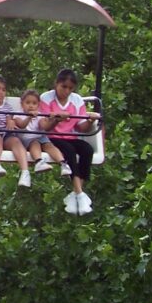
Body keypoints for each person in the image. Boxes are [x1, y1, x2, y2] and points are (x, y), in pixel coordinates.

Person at [40, 68, 102, 215]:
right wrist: (56, 120)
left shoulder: (77, 100)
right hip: (52, 137)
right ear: (56, 84)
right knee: (69, 151)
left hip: (70, 136)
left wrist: (90, 120)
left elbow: (81, 128)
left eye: (70, 88)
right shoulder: (46, 98)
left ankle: (77, 192)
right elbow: (45, 127)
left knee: (87, 150)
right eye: (64, 87)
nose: (66, 91)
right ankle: (79, 193)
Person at [13, 89, 70, 177]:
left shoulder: (39, 115)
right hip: (27, 138)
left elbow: (45, 127)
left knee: (49, 145)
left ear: (38, 105)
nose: (31, 106)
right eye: (28, 103)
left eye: (34, 103)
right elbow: (21, 125)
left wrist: (52, 120)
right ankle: (38, 161)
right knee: (35, 143)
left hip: (40, 137)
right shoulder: (18, 114)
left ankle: (63, 163)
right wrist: (29, 117)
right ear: (22, 104)